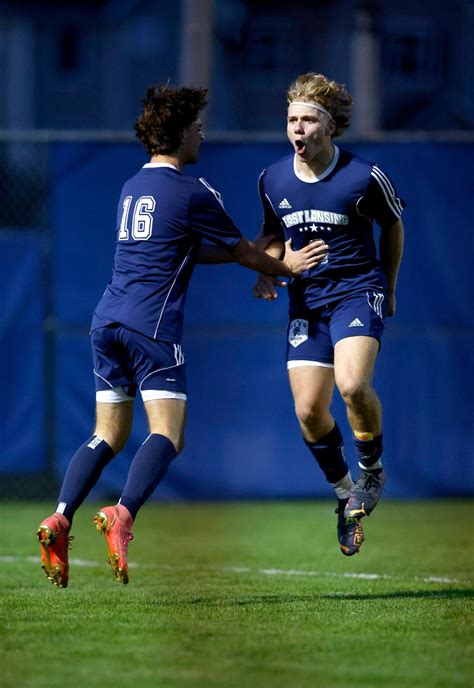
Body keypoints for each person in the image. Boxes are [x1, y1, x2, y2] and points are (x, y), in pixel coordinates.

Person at [36, 84, 328, 588]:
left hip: (105, 321)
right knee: (168, 434)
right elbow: (240, 251)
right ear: (178, 134)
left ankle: (59, 516)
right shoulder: (194, 190)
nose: (202, 132)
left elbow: (184, 250)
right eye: (196, 125)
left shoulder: (132, 186)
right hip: (151, 326)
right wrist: (288, 266)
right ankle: (122, 515)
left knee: (107, 433)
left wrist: (260, 259)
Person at [252, 72, 405, 556]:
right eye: (292, 120)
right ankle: (345, 497)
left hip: (358, 293)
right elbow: (271, 233)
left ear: (330, 126)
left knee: (353, 385)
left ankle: (371, 471)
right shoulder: (272, 178)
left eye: (308, 120)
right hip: (307, 303)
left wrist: (389, 283)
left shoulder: (363, 176)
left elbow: (393, 225)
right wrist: (265, 268)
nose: (298, 129)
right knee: (307, 410)